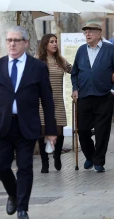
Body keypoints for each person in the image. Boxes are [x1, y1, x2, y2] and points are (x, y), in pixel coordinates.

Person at [0, 26, 57, 219]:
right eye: (9, 40)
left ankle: (22, 209)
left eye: (16, 40)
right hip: (1, 126)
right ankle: (13, 193)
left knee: (25, 168)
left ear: (26, 42)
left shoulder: (38, 67)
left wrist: (50, 131)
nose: (12, 44)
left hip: (27, 127)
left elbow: (47, 101)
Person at [71, 23, 114, 172]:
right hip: (84, 96)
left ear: (99, 33)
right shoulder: (81, 50)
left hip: (104, 96)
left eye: (91, 32)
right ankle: (90, 155)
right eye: (85, 32)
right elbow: (74, 72)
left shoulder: (109, 49)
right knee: (83, 130)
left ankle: (99, 161)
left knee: (102, 131)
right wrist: (75, 89)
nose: (87, 34)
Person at [36, 33, 72, 173]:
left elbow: (74, 71)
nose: (55, 44)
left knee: (59, 132)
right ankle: (45, 162)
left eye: (56, 41)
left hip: (57, 101)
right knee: (42, 132)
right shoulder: (38, 61)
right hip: (41, 102)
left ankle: (57, 156)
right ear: (45, 44)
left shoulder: (60, 61)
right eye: (52, 41)